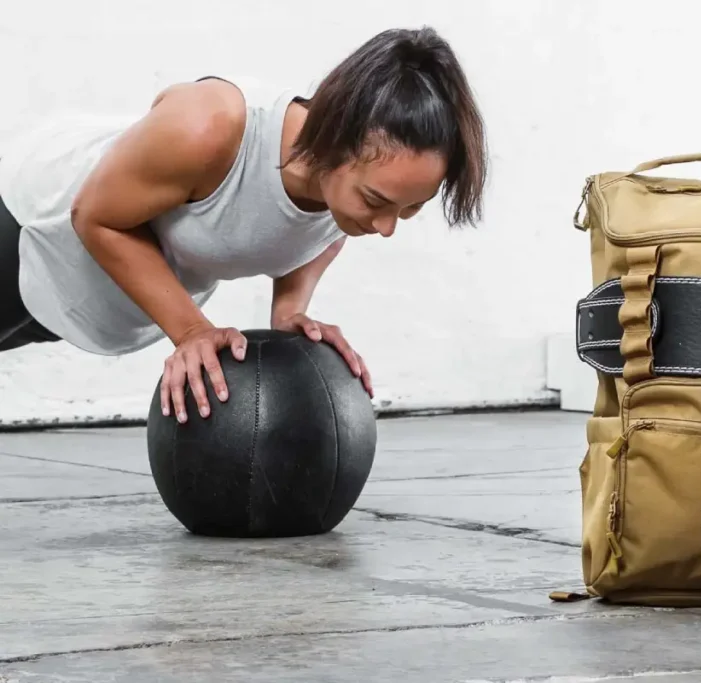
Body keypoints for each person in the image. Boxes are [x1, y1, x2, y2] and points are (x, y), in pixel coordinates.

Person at [0, 26, 488, 425]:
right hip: (30, 220)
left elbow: (317, 229)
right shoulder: (211, 124)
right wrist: (191, 329)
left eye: (410, 208)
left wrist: (291, 310)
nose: (386, 228)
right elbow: (96, 216)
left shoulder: (345, 194)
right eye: (376, 201)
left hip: (75, 294)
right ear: (334, 140)